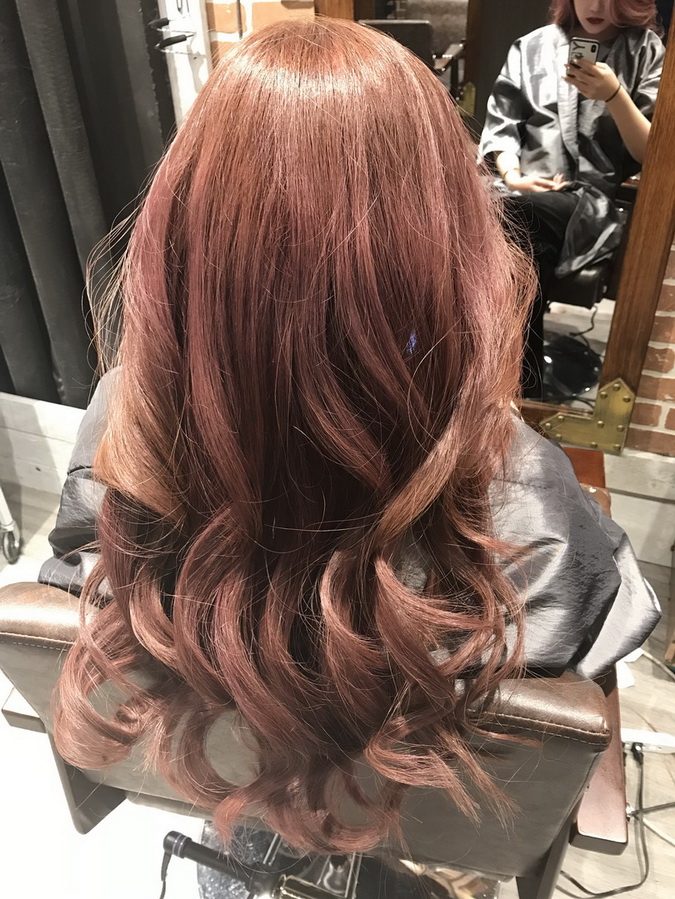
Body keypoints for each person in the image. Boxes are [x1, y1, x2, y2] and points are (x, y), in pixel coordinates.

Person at [40, 18, 659, 855]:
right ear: (444, 228)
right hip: (415, 830)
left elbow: (82, 578)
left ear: (186, 226)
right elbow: (575, 662)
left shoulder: (125, 416)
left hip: (219, 798)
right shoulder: (518, 484)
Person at [479, 0, 664, 398]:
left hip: (588, 203)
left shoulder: (645, 50)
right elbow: (502, 127)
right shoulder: (531, 46)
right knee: (510, 236)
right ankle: (515, 383)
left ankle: (508, 384)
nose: (595, 6)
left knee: (510, 222)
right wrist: (515, 176)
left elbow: (652, 152)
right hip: (519, 190)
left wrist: (614, 95)